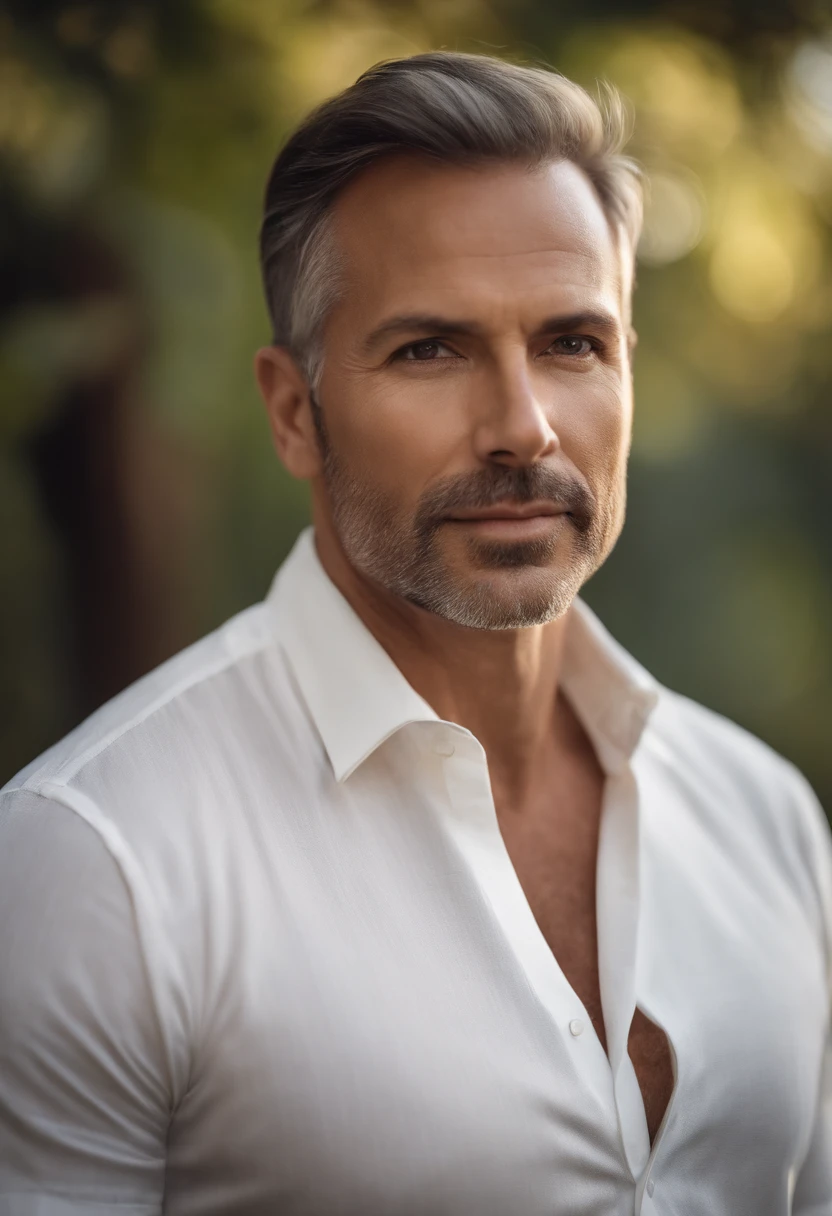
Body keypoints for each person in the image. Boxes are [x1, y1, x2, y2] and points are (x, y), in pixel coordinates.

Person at [0, 50, 829, 1216]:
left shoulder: (766, 818)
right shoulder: (94, 863)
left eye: (572, 342)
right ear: (295, 411)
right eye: (429, 348)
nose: (522, 428)